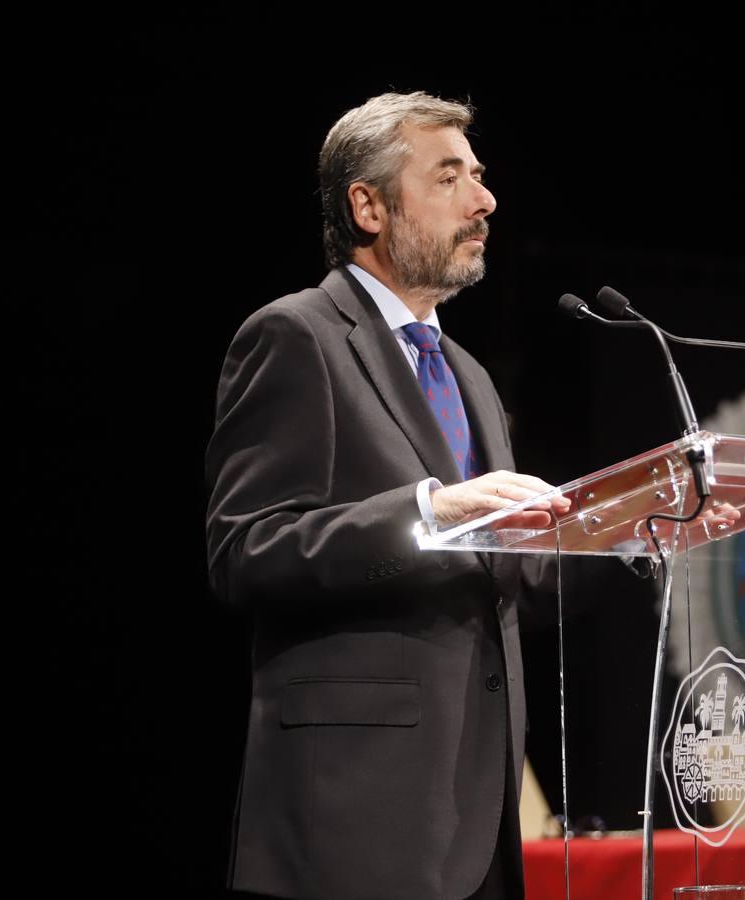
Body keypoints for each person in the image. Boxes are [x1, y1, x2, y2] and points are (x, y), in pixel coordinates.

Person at [205, 91, 570, 900]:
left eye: (479, 175)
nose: (484, 199)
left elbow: (511, 582)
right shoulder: (296, 336)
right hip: (353, 813)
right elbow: (246, 553)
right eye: (449, 178)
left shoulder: (468, 373)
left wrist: (641, 531)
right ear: (367, 205)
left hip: (478, 808)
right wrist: (427, 511)